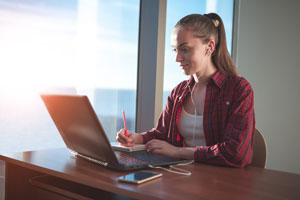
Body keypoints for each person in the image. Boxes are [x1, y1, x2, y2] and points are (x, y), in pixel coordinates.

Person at [117, 13, 255, 167]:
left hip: (221, 183)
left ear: (209, 47)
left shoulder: (238, 89)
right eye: (175, 50)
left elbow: (236, 153)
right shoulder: (179, 92)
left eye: (185, 49)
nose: (178, 59)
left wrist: (178, 152)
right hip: (182, 178)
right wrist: (137, 138)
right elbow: (162, 134)